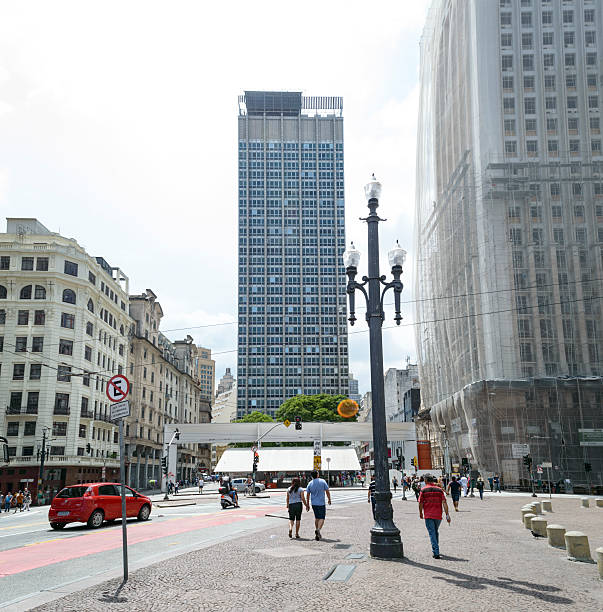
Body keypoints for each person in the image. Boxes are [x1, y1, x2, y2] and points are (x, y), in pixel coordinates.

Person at [418, 474, 451, 559]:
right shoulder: (439, 490)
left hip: (428, 514)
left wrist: (420, 512)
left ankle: (436, 552)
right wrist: (447, 514)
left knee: (432, 532)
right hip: (438, 514)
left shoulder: (423, 490)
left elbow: (420, 503)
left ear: (425, 481)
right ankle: (436, 547)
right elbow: (444, 502)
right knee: (435, 531)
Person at [305, 470, 331, 541]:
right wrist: (329, 499)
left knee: (317, 518)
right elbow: (327, 491)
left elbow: (307, 494)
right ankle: (318, 530)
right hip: (321, 503)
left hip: (314, 503)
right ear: (317, 474)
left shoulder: (310, 483)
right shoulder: (322, 481)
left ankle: (317, 532)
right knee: (322, 517)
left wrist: (307, 504)